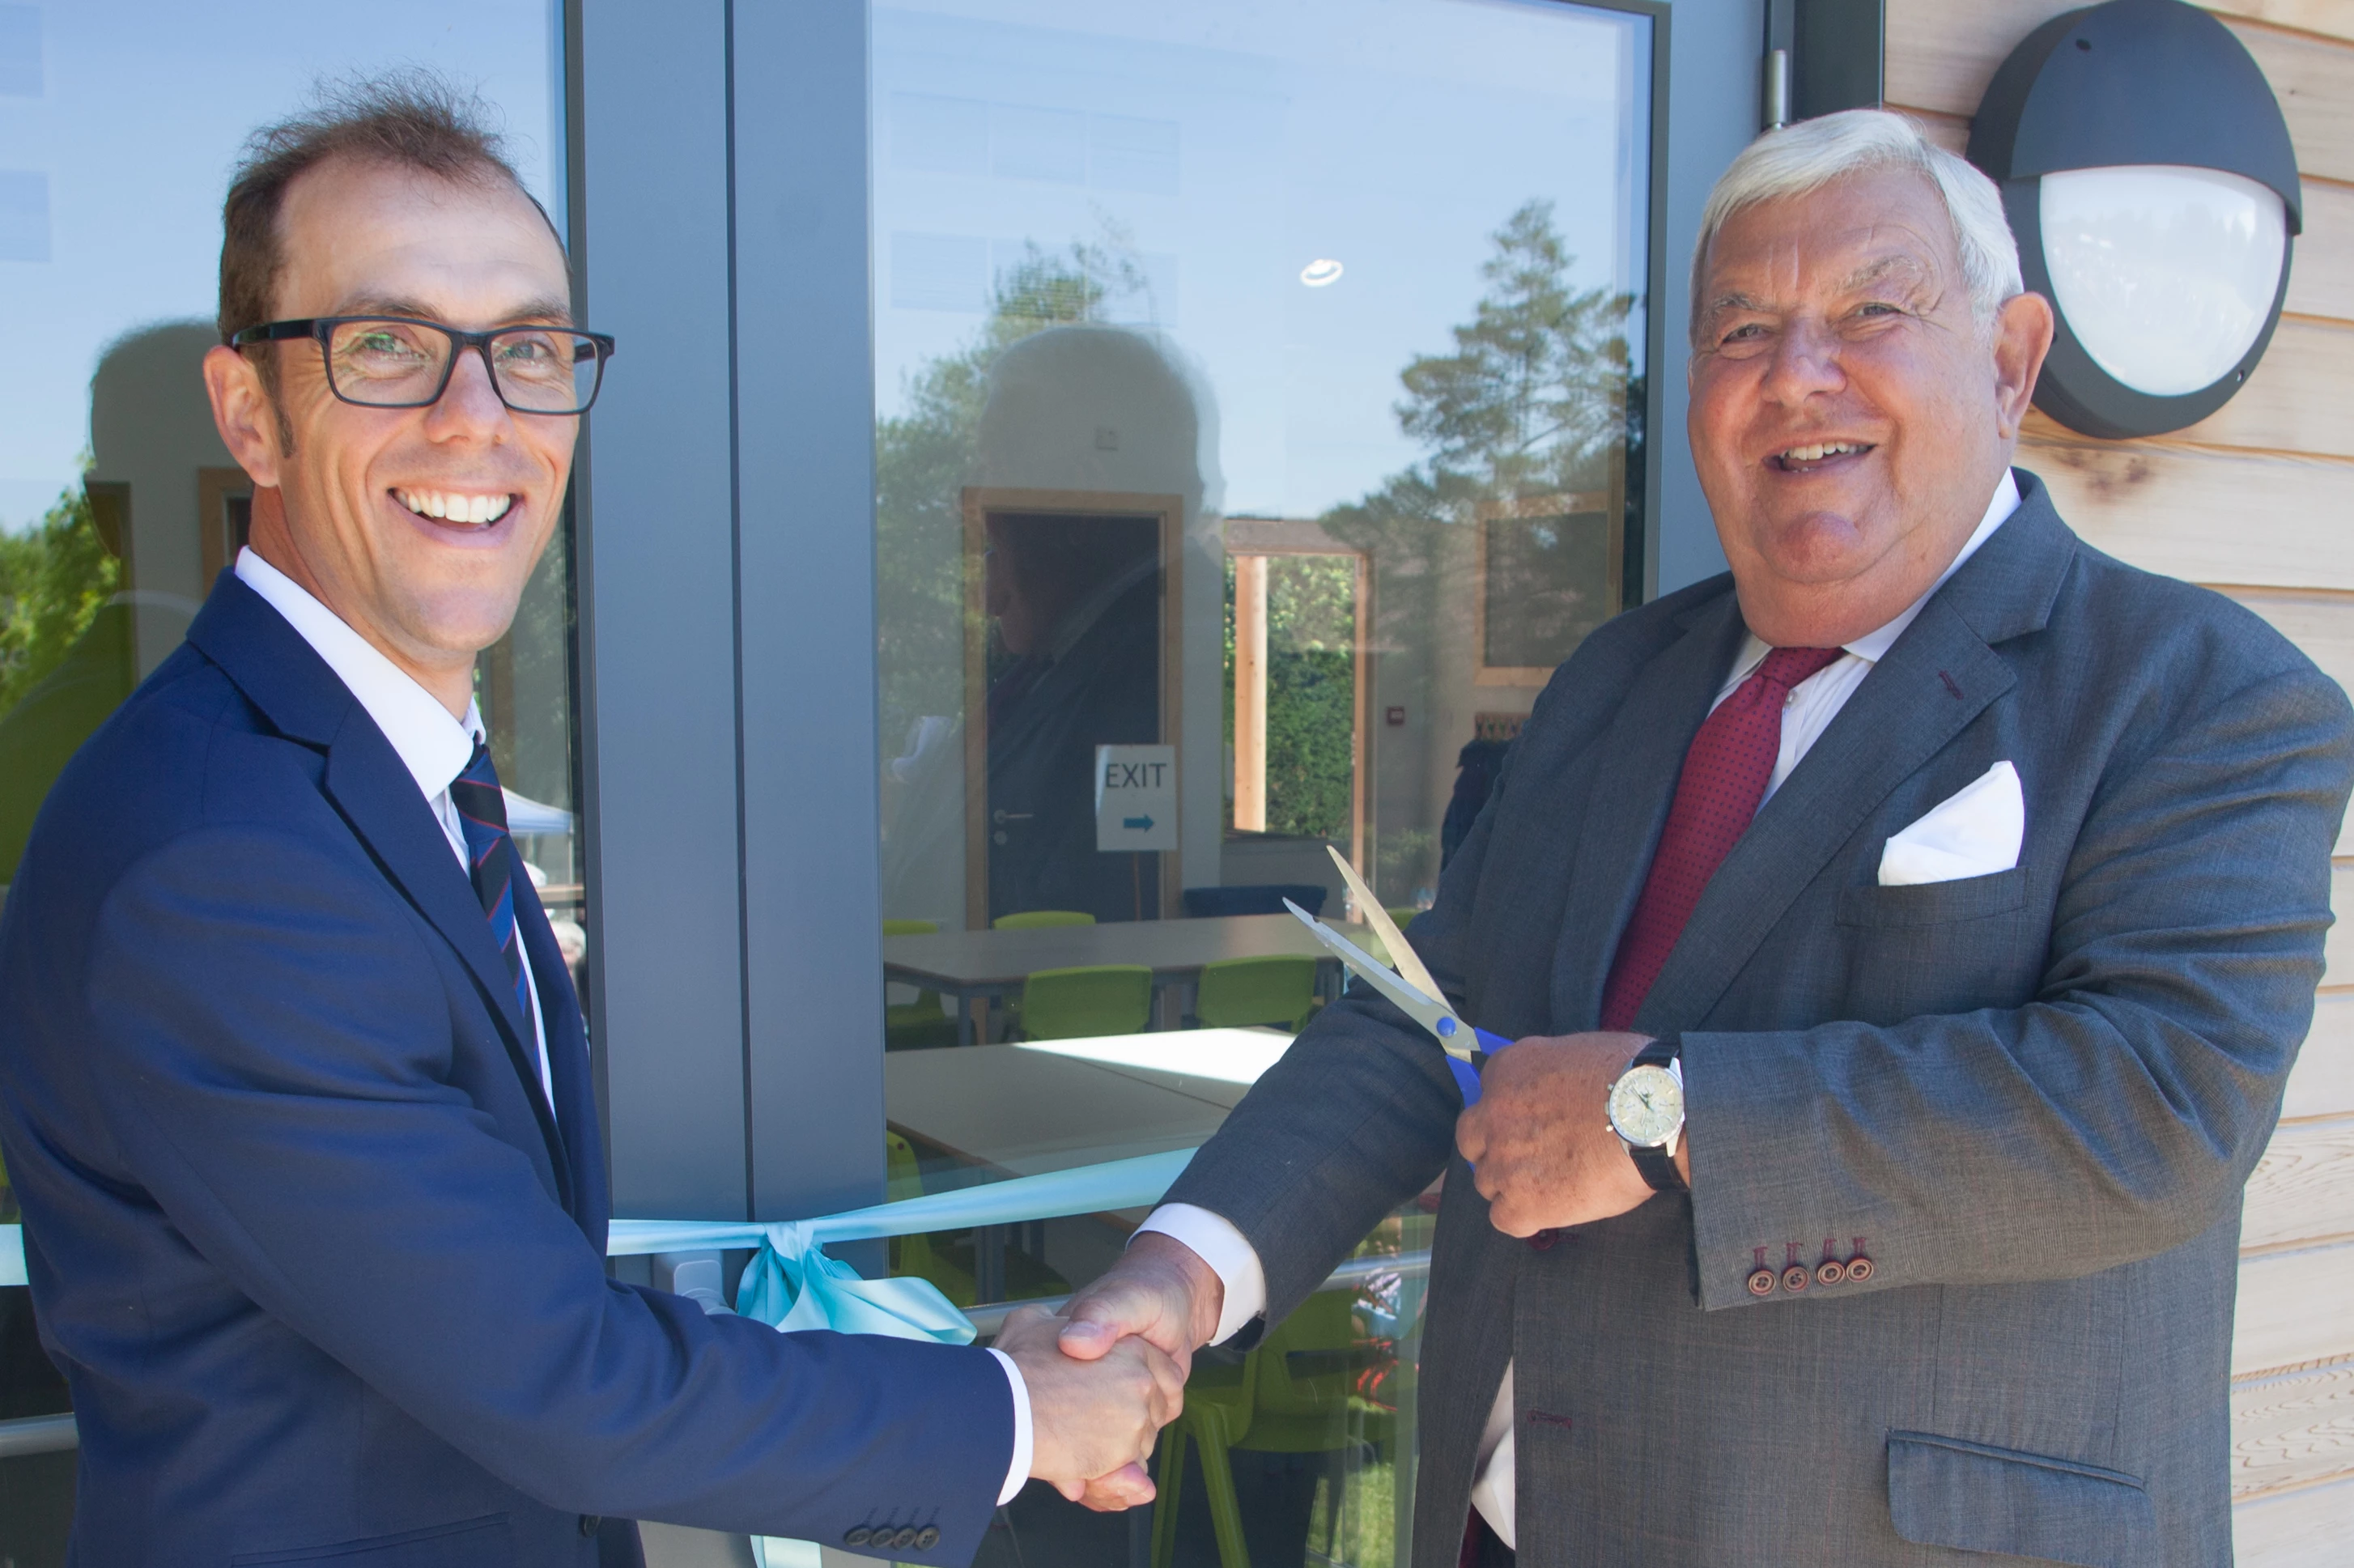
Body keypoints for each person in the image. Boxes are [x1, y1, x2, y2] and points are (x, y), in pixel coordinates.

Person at [1048, 108, 2354, 1563]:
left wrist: (1655, 1117)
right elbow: (1426, 1014)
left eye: (1872, 309)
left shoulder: (2198, 692)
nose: (1797, 375)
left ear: (2007, 360)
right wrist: (1183, 1272)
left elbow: (2154, 1111)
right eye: (1741, 331)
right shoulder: (1618, 679)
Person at [0, 77, 1177, 1566]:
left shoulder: (378, 781)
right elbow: (558, 1378)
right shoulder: (216, 858)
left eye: (531, 352)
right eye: (386, 347)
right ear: (251, 412)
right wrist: (1012, 1415)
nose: (478, 420)